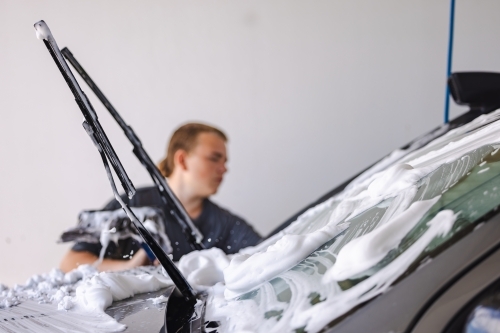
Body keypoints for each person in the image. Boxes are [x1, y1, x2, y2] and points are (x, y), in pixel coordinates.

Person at [60, 122, 262, 272]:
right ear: (182, 160)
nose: (224, 169)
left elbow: (267, 255)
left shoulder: (225, 224)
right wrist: (130, 267)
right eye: (214, 158)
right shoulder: (132, 205)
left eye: (225, 161)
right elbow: (70, 263)